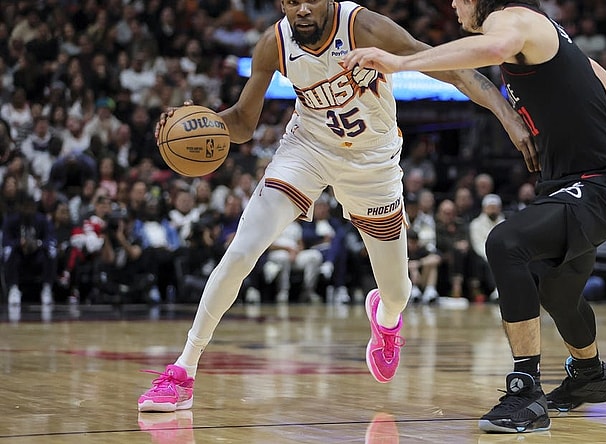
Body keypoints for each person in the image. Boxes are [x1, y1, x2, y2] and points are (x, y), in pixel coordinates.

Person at [138, 0, 536, 413]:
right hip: (307, 149)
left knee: (399, 293)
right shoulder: (272, 44)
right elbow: (242, 122)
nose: (304, 8)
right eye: (293, 2)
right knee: (242, 250)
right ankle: (183, 371)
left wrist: (506, 115)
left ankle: (385, 318)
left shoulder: (365, 27)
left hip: (373, 162)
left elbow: (452, 69)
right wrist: (201, 124)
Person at [344, 0, 606, 433]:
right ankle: (591, 375)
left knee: (506, 243)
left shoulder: (509, 18)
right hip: (577, 182)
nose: (454, 4)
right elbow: (605, 84)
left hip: (598, 183)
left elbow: (496, 46)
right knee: (558, 292)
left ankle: (526, 392)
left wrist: (399, 61)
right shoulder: (543, 30)